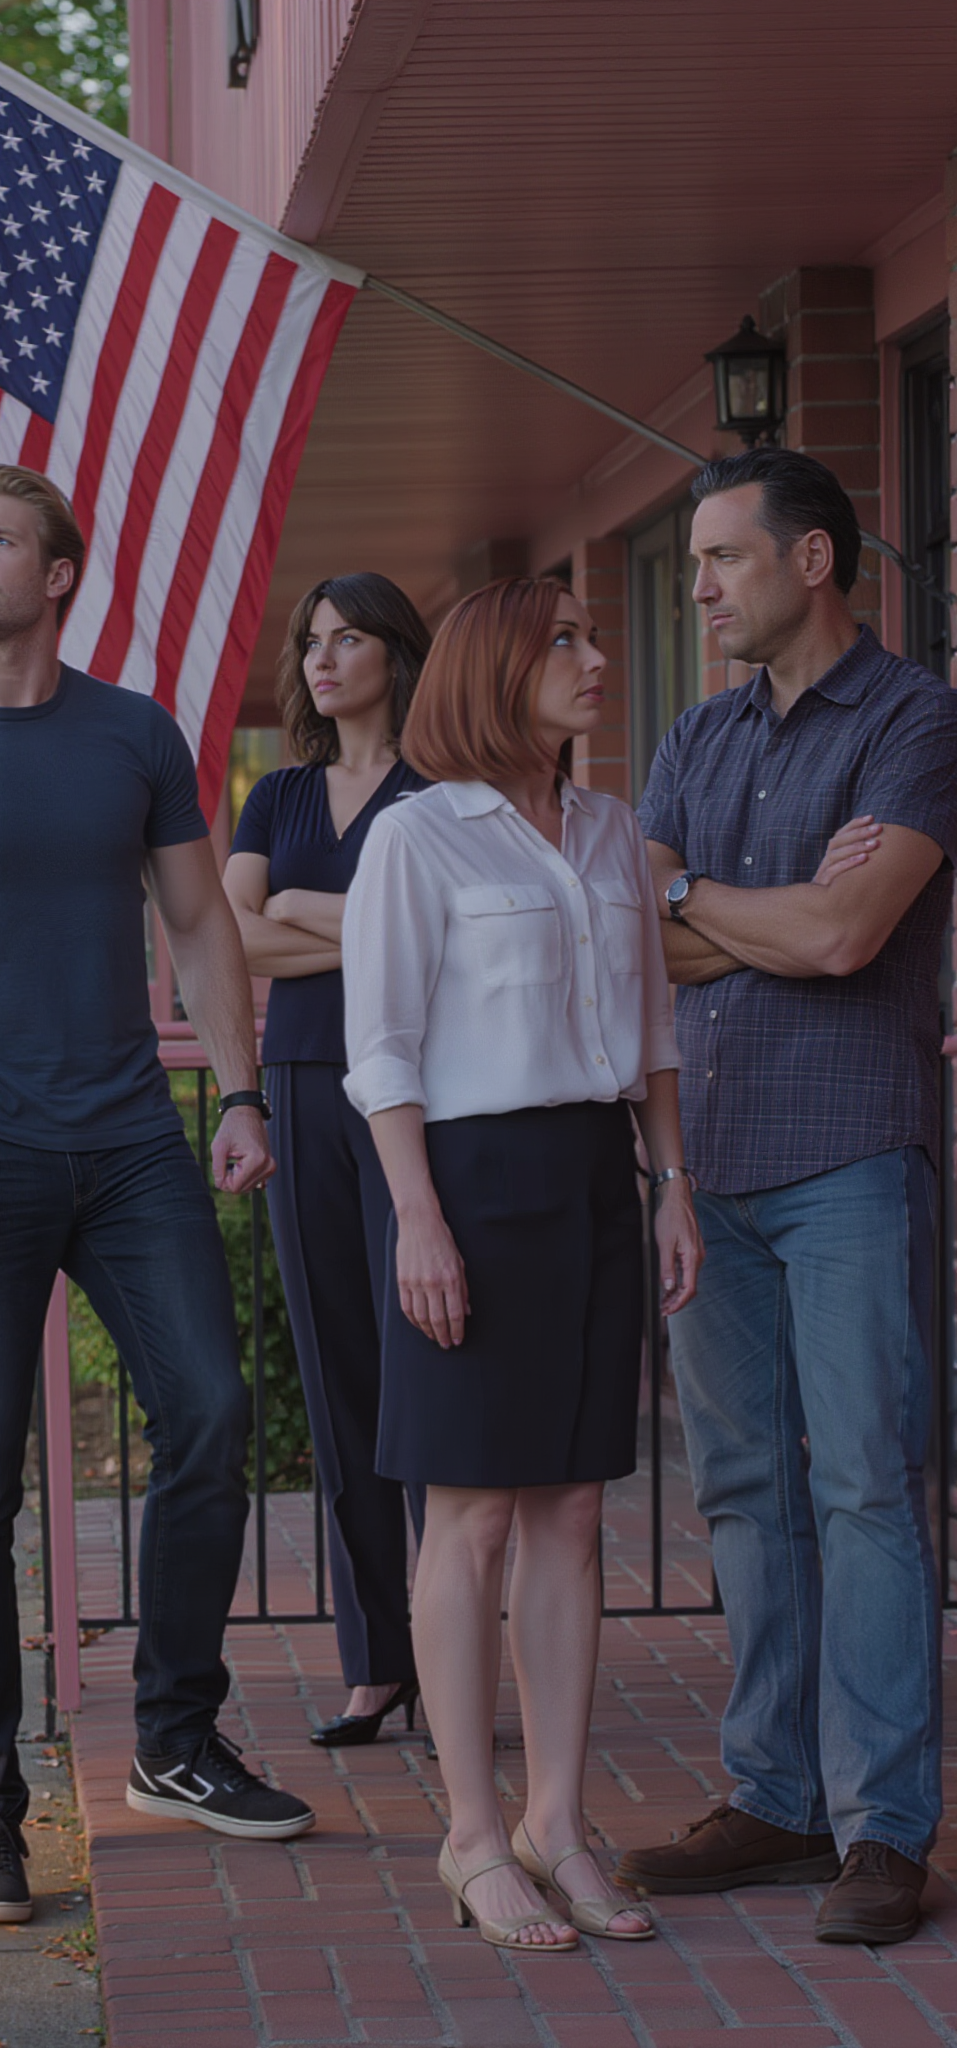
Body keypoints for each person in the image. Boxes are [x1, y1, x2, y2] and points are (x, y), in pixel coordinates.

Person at [0, 462, 313, 1929]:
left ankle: (173, 1741)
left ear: (60, 572)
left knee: (210, 1413)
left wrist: (242, 1090)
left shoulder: (132, 737)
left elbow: (201, 919)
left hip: (134, 1141)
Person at [616, 448, 957, 1946]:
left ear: (813, 561)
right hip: (715, 1167)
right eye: (690, 560)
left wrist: (700, 908)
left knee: (867, 1487)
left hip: (855, 1161)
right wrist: (722, 912)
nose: (696, 586)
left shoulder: (917, 721)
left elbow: (842, 937)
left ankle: (885, 1828)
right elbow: (638, 938)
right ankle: (774, 1798)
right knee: (747, 1496)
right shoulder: (693, 735)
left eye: (722, 558)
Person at [344, 576, 700, 1953]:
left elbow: (654, 1027)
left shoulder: (613, 832)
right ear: (498, 667)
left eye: (594, 636)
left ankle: (558, 1820)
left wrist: (670, 1187)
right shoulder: (419, 840)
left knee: (572, 1515)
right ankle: (473, 1836)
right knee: (471, 1517)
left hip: (594, 1184)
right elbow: (381, 1050)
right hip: (469, 1189)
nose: (597, 658)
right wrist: (416, 1218)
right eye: (565, 640)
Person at [221, 572, 431, 1747]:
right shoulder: (279, 791)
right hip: (304, 1087)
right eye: (310, 641)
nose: (320, 658)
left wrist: (298, 906)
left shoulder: (440, 789)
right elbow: (231, 934)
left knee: (427, 1369)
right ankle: (373, 1659)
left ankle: (446, 1648)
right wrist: (347, 919)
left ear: (396, 653)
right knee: (336, 1366)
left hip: (416, 1098)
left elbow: (441, 936)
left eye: (346, 638)